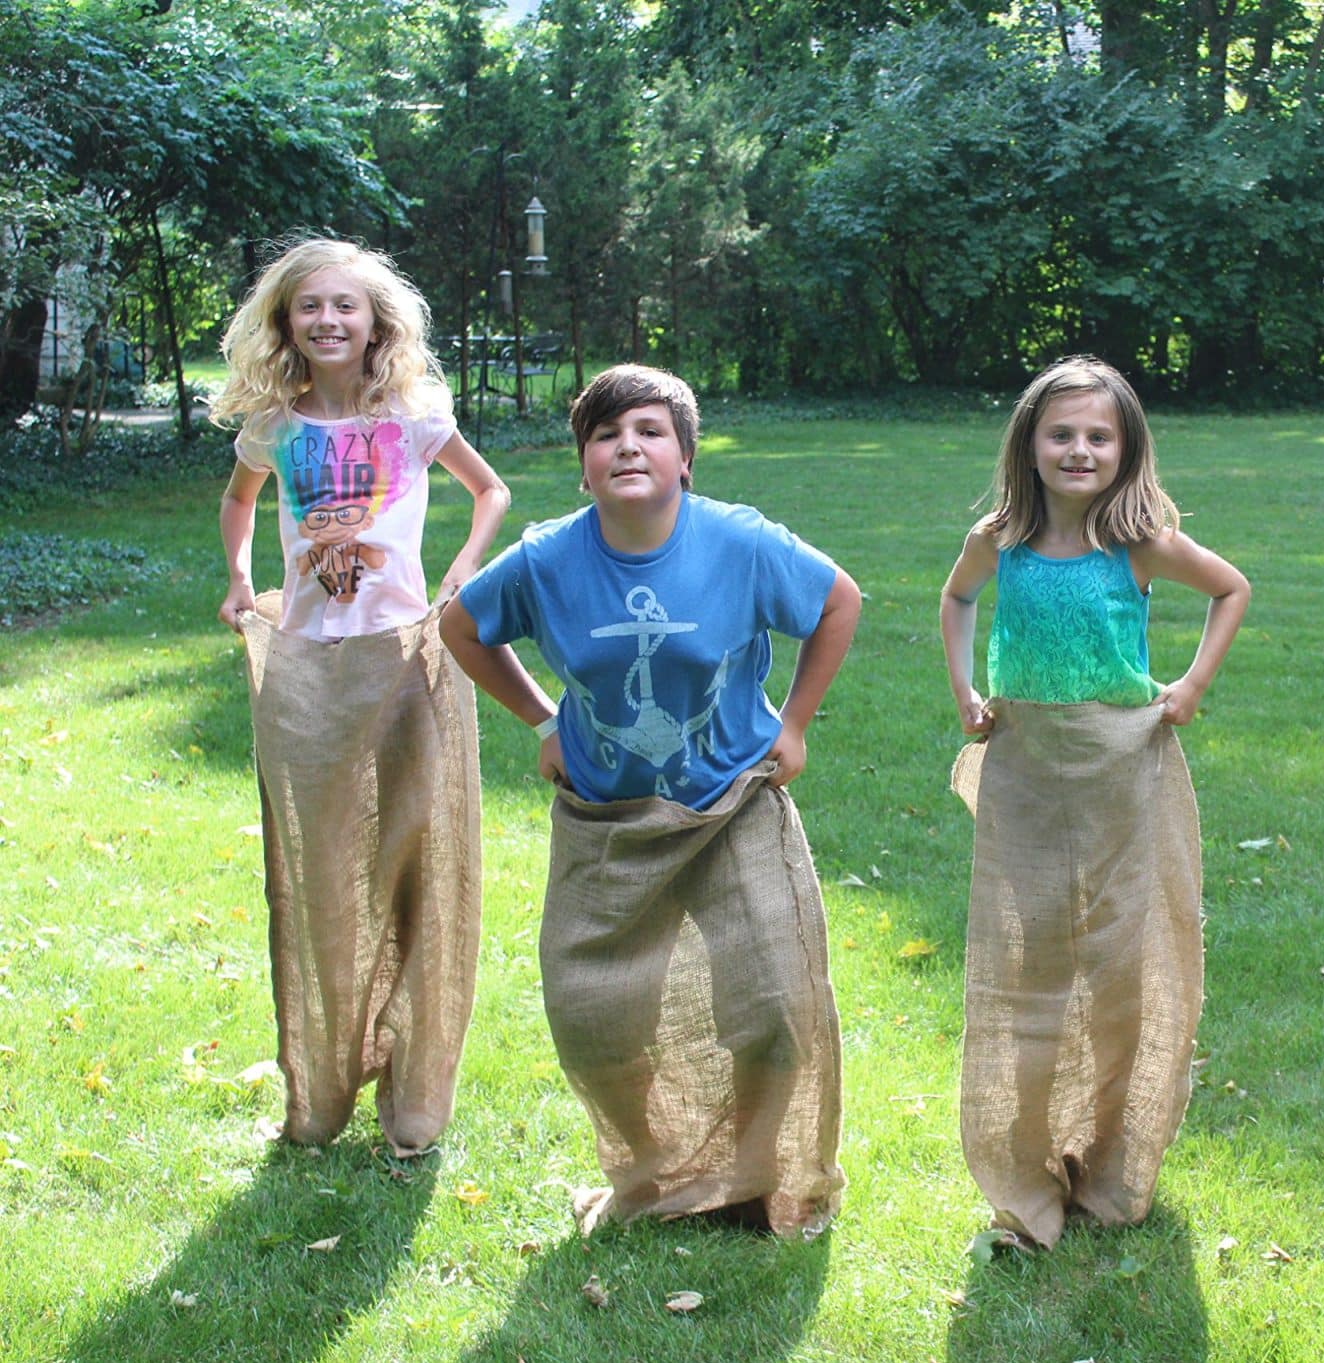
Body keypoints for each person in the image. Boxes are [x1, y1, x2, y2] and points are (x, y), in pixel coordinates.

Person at [441, 364, 860, 1236]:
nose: (627, 446)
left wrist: (794, 723)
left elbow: (837, 601)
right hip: (608, 820)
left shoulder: (740, 545)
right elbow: (461, 626)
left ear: (685, 459)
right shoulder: (547, 561)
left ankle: (760, 1179)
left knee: (774, 1005)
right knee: (595, 1018)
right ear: (584, 466)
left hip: (729, 806)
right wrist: (544, 720)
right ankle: (658, 1171)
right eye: (605, 435)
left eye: (649, 431)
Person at [940, 355, 1249, 1246]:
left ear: (1126, 449)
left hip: (1121, 770)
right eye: (1062, 434)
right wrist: (964, 690)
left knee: (1120, 960)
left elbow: (1231, 588)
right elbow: (956, 600)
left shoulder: (1138, 543)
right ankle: (1026, 1159)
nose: (1080, 450)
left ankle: (1112, 1154)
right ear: (1029, 445)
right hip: (1028, 770)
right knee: (1032, 961)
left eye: (1099, 436)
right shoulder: (998, 539)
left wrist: (1190, 685)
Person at [212, 238, 509, 1155]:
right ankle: (323, 1079)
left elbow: (491, 491)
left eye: (346, 304)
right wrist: (239, 577)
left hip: (405, 662)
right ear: (285, 322)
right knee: (321, 869)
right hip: (308, 668)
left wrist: (463, 569)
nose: (328, 319)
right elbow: (239, 502)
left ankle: (416, 1088)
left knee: (419, 861)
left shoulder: (413, 416)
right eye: (310, 306)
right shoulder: (274, 426)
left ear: (377, 321)